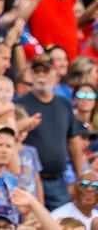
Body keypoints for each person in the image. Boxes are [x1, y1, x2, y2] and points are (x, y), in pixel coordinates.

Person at [16, 52, 86, 210]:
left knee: (61, 224)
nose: (41, 76)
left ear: (55, 74)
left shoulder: (64, 104)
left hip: (58, 181)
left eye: (45, 71)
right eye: (37, 71)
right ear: (31, 74)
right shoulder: (19, 105)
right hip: (29, 178)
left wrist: (79, 178)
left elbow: (75, 145)